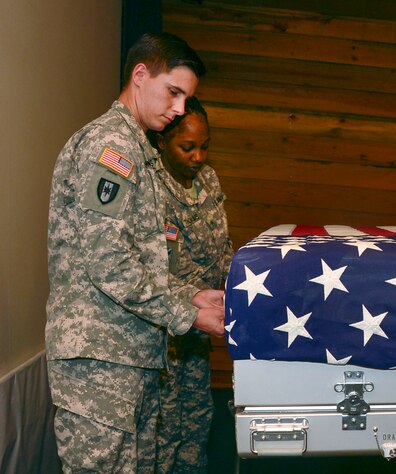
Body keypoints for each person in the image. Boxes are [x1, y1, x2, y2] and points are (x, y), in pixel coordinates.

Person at [46, 32, 226, 473]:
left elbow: (141, 262)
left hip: (131, 361)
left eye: (187, 98)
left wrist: (191, 297)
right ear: (140, 75)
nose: (180, 108)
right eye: (174, 92)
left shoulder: (139, 149)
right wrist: (188, 316)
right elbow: (110, 263)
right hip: (99, 366)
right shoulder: (111, 149)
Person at [149, 96, 234, 473]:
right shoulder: (148, 185)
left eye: (204, 147)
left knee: (196, 427)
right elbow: (141, 268)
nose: (198, 157)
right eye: (188, 147)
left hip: (199, 337)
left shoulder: (207, 179)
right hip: (161, 334)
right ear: (162, 140)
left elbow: (222, 247)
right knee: (162, 435)